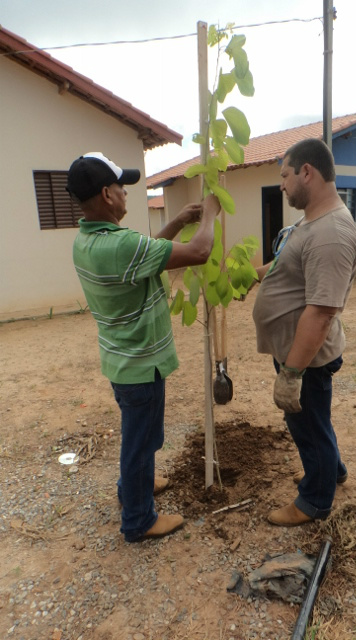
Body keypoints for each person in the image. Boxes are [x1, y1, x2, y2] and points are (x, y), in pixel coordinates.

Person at [67, 151, 220, 542]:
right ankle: (138, 519)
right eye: (121, 187)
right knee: (141, 441)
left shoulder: (88, 240)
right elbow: (200, 252)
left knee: (139, 436)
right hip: (140, 364)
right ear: (106, 194)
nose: (125, 194)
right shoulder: (119, 245)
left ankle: (132, 486)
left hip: (122, 361)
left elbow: (142, 257)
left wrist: (176, 221)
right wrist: (209, 215)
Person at [252, 138, 356, 526]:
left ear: (307, 172)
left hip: (308, 359)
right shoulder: (312, 220)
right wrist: (255, 276)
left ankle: (315, 500)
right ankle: (331, 472)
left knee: (309, 426)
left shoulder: (330, 233)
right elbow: (287, 264)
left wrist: (291, 373)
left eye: (284, 175)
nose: (281, 185)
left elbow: (320, 313)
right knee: (315, 421)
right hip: (299, 354)